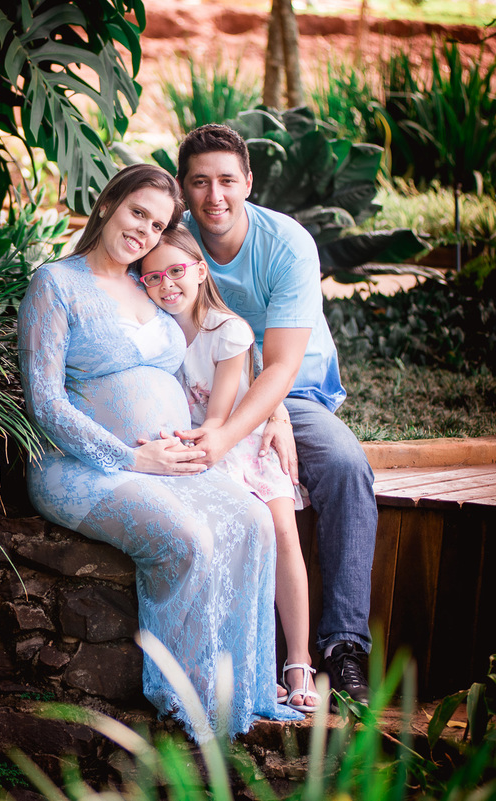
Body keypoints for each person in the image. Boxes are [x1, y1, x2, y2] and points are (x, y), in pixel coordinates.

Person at [17, 163, 302, 740]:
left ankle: (242, 686)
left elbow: (224, 343)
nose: (145, 231)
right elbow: (43, 403)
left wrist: (276, 409)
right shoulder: (56, 284)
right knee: (187, 539)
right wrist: (130, 458)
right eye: (138, 213)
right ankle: (187, 700)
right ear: (107, 206)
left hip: (167, 463)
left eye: (159, 224)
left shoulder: (148, 283)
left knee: (252, 521)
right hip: (81, 469)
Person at [175, 124, 376, 706]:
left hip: (291, 391)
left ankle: (342, 645)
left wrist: (247, 426)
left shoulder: (286, 244)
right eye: (200, 182)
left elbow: (283, 366)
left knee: (344, 466)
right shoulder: (177, 242)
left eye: (227, 181)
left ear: (249, 182)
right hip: (206, 390)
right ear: (185, 188)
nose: (216, 196)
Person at [139, 228, 318, 713]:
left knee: (282, 532)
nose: (166, 284)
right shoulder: (156, 328)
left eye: (176, 271)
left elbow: (218, 418)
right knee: (223, 539)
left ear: (200, 271)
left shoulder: (229, 330)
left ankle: (298, 660)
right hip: (196, 445)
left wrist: (189, 441)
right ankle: (245, 663)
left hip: (240, 441)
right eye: (152, 277)